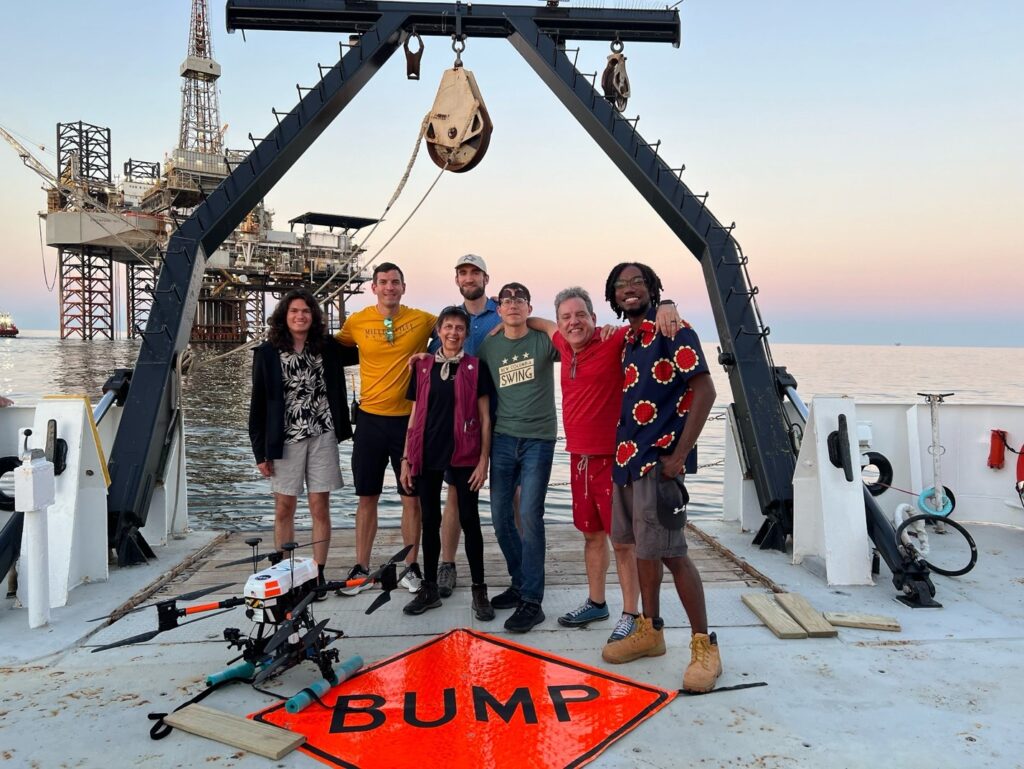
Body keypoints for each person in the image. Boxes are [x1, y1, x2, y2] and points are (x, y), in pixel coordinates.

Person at [525, 288, 679, 653]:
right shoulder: (562, 343)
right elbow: (541, 323)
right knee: (591, 535)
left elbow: (644, 326)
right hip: (578, 458)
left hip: (613, 460)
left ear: (594, 318)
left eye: (581, 314)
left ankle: (631, 614)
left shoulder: (613, 342)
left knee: (622, 542)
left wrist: (666, 305)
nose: (573, 322)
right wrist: (509, 323)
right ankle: (597, 604)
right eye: (567, 316)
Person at [601, 262, 722, 694]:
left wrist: (680, 457)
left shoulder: (674, 330)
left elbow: (705, 391)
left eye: (638, 282)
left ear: (654, 289)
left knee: (673, 554)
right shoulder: (629, 340)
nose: (629, 290)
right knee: (640, 551)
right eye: (620, 286)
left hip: (658, 462)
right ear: (613, 298)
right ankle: (651, 632)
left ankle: (705, 646)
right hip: (627, 460)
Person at [335, 263, 436, 595]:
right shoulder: (357, 321)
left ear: (404, 288)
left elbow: (458, 327)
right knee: (367, 497)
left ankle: (410, 567)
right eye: (383, 282)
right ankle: (362, 567)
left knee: (411, 498)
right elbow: (330, 349)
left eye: (395, 282)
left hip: (408, 423)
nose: (390, 287)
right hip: (369, 420)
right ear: (373, 287)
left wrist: (431, 354)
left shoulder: (422, 319)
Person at [248, 289, 357, 596]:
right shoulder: (267, 354)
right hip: (285, 440)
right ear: (285, 315)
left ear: (314, 317)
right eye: (294, 311)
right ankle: (284, 573)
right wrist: (260, 452)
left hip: (322, 435)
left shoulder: (327, 348)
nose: (300, 316)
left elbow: (367, 349)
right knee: (284, 507)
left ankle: (317, 574)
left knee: (319, 507)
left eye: (306, 311)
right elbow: (257, 407)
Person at [400, 306, 494, 619]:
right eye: (448, 327)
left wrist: (484, 460)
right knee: (430, 520)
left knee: (470, 520)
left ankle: (479, 591)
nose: (453, 333)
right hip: (426, 452)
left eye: (459, 328)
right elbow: (414, 415)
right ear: (438, 331)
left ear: (466, 334)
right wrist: (405, 458)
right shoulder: (424, 366)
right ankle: (429, 590)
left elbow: (484, 416)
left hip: (464, 452)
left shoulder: (475, 368)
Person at [476, 282, 558, 632]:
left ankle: (532, 601)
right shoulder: (488, 347)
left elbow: (563, 333)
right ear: (498, 308)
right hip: (503, 438)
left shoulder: (542, 341)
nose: (512, 305)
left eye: (519, 300)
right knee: (499, 516)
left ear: (528, 306)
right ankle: (520, 580)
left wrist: (537, 321)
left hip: (539, 439)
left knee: (529, 514)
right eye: (506, 300)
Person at [429, 254, 501, 599]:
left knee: (513, 496)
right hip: (458, 429)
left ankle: (522, 568)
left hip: (501, 415)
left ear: (486, 277)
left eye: (475, 272)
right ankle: (447, 564)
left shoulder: (505, 311)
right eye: (463, 272)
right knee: (455, 495)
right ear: (457, 279)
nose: (469, 277)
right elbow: (433, 360)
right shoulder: (450, 319)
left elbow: (541, 326)